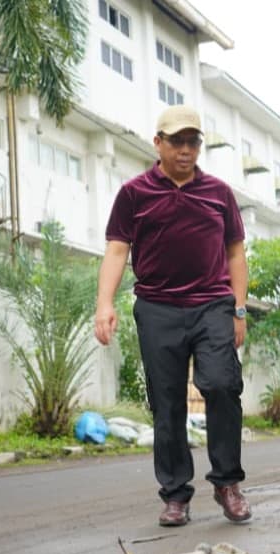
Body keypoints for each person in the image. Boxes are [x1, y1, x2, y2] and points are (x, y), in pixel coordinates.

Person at [93, 105, 251, 528]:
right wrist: (104, 303)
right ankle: (176, 495)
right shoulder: (133, 193)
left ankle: (227, 483)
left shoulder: (219, 193)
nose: (185, 150)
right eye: (177, 141)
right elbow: (116, 250)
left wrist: (239, 308)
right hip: (158, 307)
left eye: (193, 142)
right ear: (158, 143)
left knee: (221, 384)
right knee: (166, 405)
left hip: (212, 303)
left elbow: (236, 252)